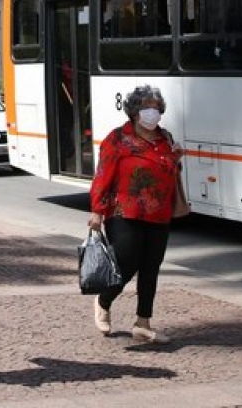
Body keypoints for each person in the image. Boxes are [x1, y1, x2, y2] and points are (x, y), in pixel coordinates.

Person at [87, 84, 182, 344]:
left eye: (156, 107)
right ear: (134, 112)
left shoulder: (166, 139)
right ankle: (104, 300)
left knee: (151, 267)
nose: (153, 112)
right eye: (146, 107)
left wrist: (176, 159)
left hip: (158, 213)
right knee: (126, 262)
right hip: (123, 211)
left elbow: (170, 170)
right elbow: (103, 176)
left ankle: (143, 322)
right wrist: (97, 211)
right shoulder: (117, 139)